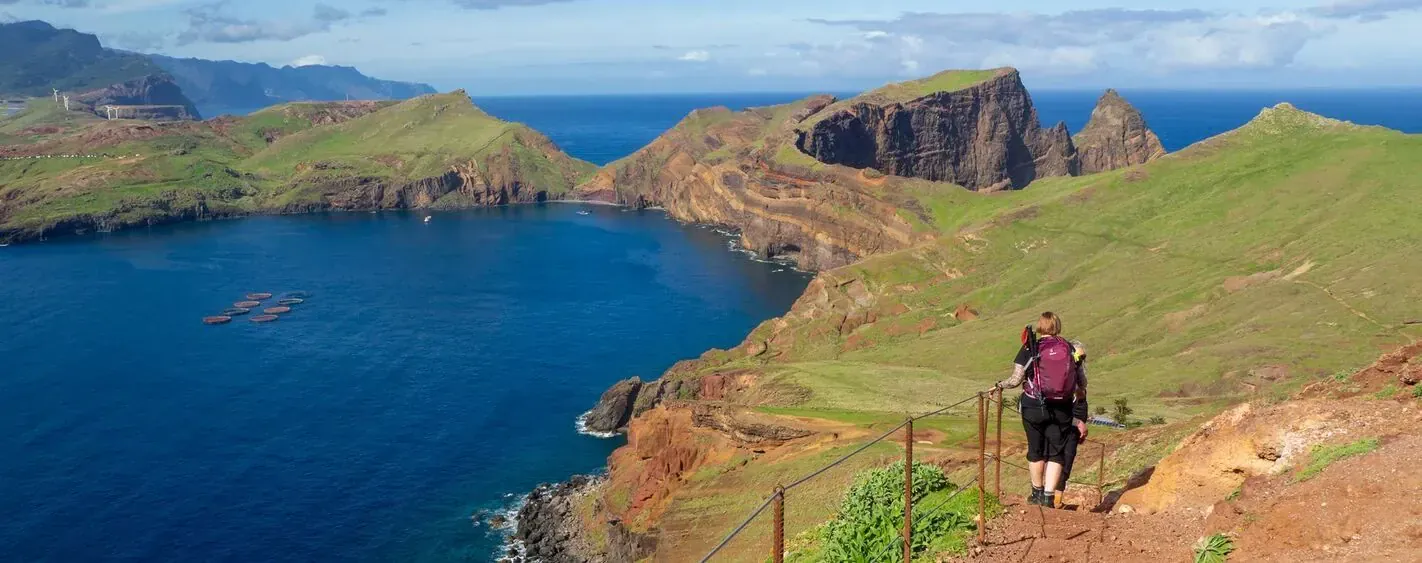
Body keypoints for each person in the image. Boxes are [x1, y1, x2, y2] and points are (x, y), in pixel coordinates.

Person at [994, 312, 1087, 508]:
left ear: (1040, 326)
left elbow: (1016, 379)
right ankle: (1048, 497)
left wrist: (999, 385)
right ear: (1058, 326)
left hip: (1033, 406)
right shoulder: (1069, 348)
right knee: (1056, 452)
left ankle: (1036, 493)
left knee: (1035, 449)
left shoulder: (1031, 347)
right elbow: (1082, 381)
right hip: (1062, 408)